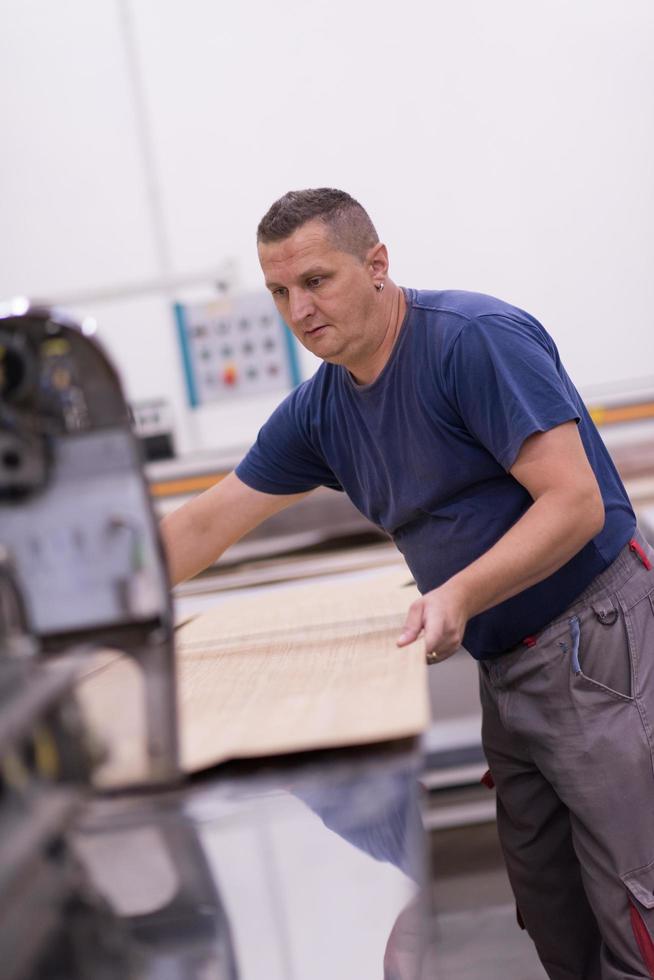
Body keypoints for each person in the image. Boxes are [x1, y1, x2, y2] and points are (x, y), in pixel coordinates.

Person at [161, 188, 654, 979]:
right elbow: (200, 526)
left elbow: (575, 504)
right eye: (280, 292)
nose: (300, 309)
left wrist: (456, 594)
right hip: (508, 659)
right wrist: (81, 605)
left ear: (377, 265)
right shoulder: (322, 412)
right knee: (554, 910)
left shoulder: (473, 341)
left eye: (317, 280)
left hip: (596, 637)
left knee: (636, 908)